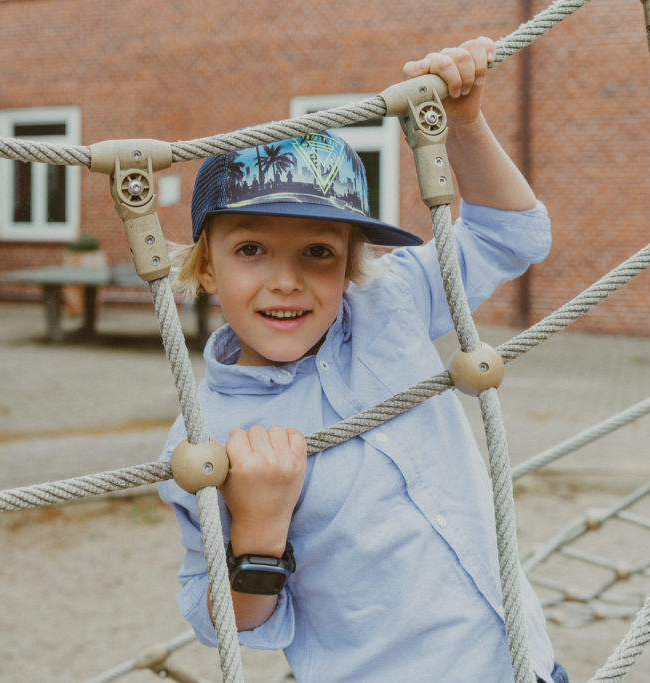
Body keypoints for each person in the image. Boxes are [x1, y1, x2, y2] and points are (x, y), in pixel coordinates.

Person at [157, 37, 569, 683]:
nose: (286, 280)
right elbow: (230, 623)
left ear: (351, 263)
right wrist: (260, 530)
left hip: (526, 661)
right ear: (206, 267)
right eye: (252, 250)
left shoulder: (391, 300)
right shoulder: (202, 438)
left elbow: (513, 234)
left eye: (318, 251)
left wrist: (462, 125)